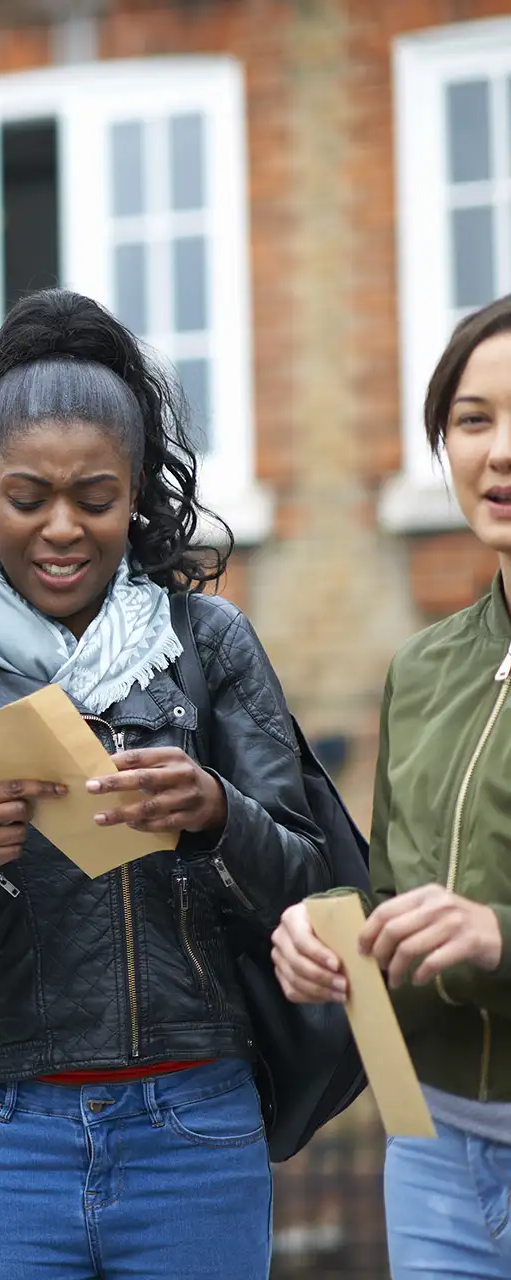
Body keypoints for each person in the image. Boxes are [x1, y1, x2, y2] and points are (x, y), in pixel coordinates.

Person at [0, 288, 330, 1279]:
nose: (64, 528)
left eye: (97, 498)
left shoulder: (209, 643)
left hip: (194, 1125)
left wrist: (213, 811)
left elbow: (311, 887)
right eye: (29, 498)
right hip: (6, 1138)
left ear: (138, 494)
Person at [272, 294, 511, 1279]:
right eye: (473, 419)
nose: (499, 452)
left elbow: (479, 920)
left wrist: (500, 935)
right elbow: (398, 886)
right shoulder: (423, 668)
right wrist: (323, 933)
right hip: (434, 1147)